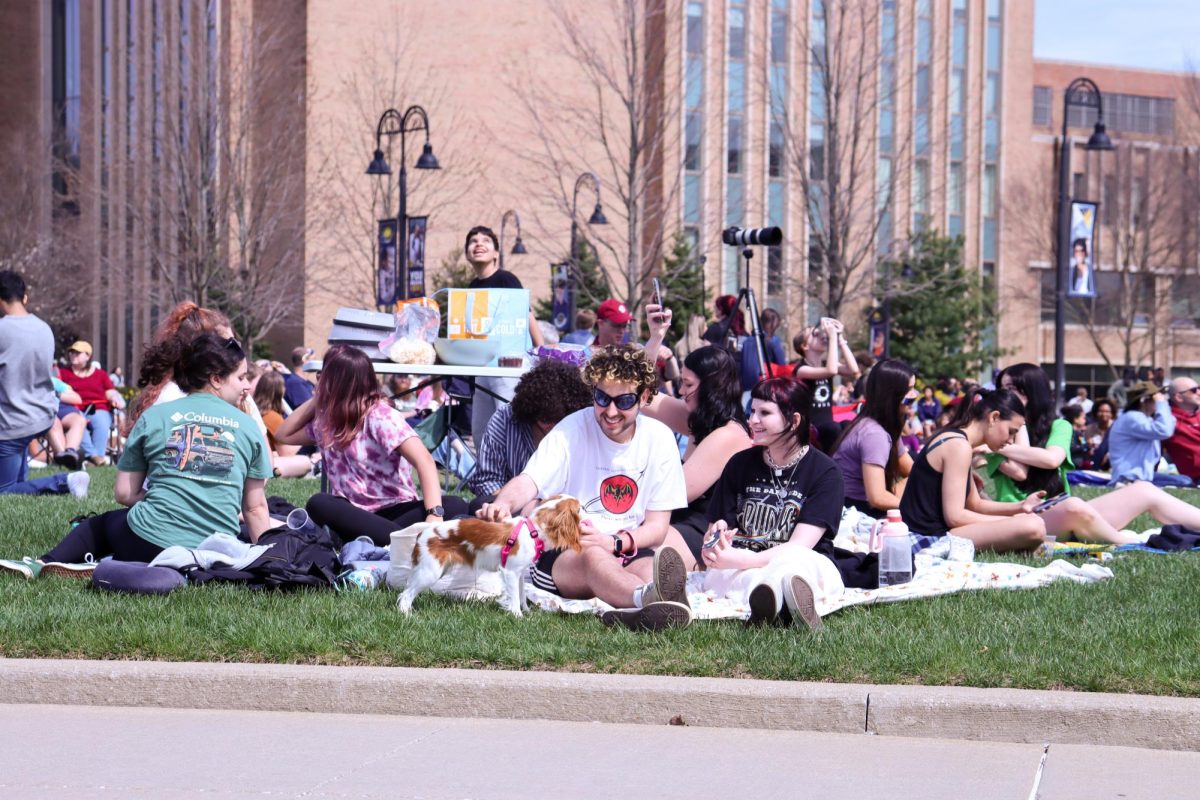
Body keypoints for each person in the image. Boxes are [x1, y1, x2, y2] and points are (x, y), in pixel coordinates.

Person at [0, 334, 273, 580]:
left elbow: (124, 493)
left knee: (100, 525)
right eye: (241, 377)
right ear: (215, 378)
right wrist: (269, 563)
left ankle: (43, 564)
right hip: (212, 552)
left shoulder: (154, 416)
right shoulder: (249, 427)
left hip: (147, 539)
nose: (247, 386)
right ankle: (113, 564)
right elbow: (254, 509)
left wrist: (170, 498)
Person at [476, 344, 691, 631]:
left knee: (644, 568)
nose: (610, 411)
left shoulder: (661, 439)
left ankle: (639, 604)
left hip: (625, 545)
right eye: (602, 398)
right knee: (594, 557)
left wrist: (614, 542)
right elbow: (529, 481)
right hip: (565, 548)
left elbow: (657, 527)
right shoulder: (572, 428)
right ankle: (645, 600)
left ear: (646, 397)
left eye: (624, 401)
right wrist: (502, 503)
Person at [695, 377, 869, 629]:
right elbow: (718, 526)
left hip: (800, 560)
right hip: (741, 562)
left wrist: (737, 560)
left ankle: (777, 598)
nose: (753, 420)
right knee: (730, 576)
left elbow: (800, 546)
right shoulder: (738, 463)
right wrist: (716, 540)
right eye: (752, 411)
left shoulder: (825, 472)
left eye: (764, 412)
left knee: (796, 567)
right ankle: (781, 602)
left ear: (794, 421)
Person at [274, 345, 467, 547]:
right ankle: (403, 541)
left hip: (395, 509)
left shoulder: (380, 416)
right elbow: (283, 434)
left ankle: (382, 540)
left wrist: (434, 515)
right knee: (318, 503)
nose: (319, 379)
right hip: (353, 514)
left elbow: (424, 460)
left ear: (337, 381)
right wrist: (319, 397)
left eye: (324, 374)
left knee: (455, 504)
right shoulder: (327, 421)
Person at [989, 363, 1200, 544]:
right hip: (1024, 519)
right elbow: (1021, 473)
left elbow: (1052, 459)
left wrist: (1001, 446)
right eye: (1002, 388)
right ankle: (1128, 543)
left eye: (1011, 388)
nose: (1003, 395)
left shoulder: (1058, 426)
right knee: (1072, 505)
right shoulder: (992, 430)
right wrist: (1015, 422)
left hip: (1065, 513)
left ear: (1032, 391)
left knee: (1144, 490)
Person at [643, 301, 754, 569]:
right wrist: (655, 337)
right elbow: (641, 396)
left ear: (711, 388)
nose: (681, 391)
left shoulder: (729, 434)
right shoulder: (699, 419)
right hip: (678, 519)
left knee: (636, 549)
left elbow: (675, 493)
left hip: (707, 528)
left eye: (689, 385)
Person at [898, 389, 1047, 552]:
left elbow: (975, 504)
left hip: (933, 532)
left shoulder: (958, 441)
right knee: (1033, 527)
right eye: (1011, 432)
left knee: (1028, 522)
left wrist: (1021, 506)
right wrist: (1007, 522)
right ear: (994, 417)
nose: (1011, 441)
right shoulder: (959, 446)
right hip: (931, 537)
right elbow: (955, 517)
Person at [0, 271, 90, 497]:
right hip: (42, 416)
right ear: (25, 297)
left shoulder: (3, 330)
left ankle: (66, 481)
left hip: (12, 421)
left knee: (4, 491)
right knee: (16, 479)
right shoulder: (44, 329)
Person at [468, 358, 594, 512]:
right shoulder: (506, 418)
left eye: (557, 420)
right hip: (510, 511)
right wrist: (512, 502)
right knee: (479, 504)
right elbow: (487, 480)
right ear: (530, 410)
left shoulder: (581, 427)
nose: (548, 425)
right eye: (543, 419)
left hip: (563, 512)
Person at [462, 225, 544, 446]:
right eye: (473, 241)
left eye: (486, 240)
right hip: (482, 368)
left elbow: (527, 317)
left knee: (509, 430)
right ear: (467, 254)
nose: (479, 244)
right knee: (481, 434)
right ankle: (488, 478)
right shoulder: (472, 288)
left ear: (496, 254)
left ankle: (515, 479)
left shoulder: (507, 280)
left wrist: (542, 353)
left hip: (509, 367)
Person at [831, 358, 916, 519]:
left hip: (861, 504)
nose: (914, 395)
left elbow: (914, 471)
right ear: (892, 394)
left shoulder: (884, 425)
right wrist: (914, 511)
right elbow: (876, 498)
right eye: (909, 390)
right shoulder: (874, 434)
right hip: (853, 508)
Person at [792, 317, 860, 453]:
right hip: (811, 426)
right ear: (804, 346)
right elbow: (831, 371)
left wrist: (840, 339)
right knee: (832, 428)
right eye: (815, 334)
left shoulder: (825, 364)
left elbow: (853, 370)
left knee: (849, 425)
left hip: (828, 423)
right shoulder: (801, 369)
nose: (822, 337)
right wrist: (832, 338)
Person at [58, 340, 126, 466]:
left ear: (87, 356)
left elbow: (110, 392)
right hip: (74, 408)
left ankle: (96, 459)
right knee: (78, 422)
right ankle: (94, 456)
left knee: (101, 422)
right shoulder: (63, 373)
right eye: (71, 352)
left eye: (77, 353)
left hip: (98, 407)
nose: (73, 355)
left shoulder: (100, 374)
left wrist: (114, 398)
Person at [1106, 381, 1177, 485]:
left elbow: (1170, 423)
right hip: (1128, 479)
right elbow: (1164, 430)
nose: (1160, 400)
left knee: (1184, 480)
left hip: (1138, 479)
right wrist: (1162, 404)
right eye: (1154, 399)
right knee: (1184, 481)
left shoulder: (1142, 419)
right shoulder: (1133, 417)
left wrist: (1162, 406)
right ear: (1143, 400)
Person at [253, 370, 320, 478]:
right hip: (269, 464)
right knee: (305, 461)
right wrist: (306, 436)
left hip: (262, 460)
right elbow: (287, 453)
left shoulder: (257, 413)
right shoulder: (271, 417)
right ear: (279, 391)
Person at [739, 307, 787, 402]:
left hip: (746, 390)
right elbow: (782, 366)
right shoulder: (773, 341)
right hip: (766, 389)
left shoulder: (746, 341)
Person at [1164, 376, 1200, 482]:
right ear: (1178, 397)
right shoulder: (1167, 420)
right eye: (1194, 390)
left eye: (1199, 388)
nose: (1199, 393)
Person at [1084, 397, 1116, 469]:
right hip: (1093, 465)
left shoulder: (1117, 429)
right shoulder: (1089, 429)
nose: (1104, 414)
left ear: (1112, 413)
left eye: (1107, 411)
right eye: (1101, 411)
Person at [283, 346, 316, 412]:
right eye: (314, 359)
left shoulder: (305, 382)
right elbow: (307, 409)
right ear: (304, 360)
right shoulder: (295, 383)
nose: (315, 363)